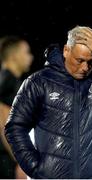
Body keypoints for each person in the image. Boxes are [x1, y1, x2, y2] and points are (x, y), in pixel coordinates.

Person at [5, 26, 92, 179]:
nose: (85, 67)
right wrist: (35, 168)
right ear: (66, 50)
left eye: (91, 61)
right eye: (79, 60)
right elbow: (15, 127)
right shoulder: (38, 82)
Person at [0, 36, 33, 178]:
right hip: (6, 162)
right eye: (26, 52)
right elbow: (4, 125)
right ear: (14, 56)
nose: (30, 57)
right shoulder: (9, 83)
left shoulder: (7, 80)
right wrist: (21, 161)